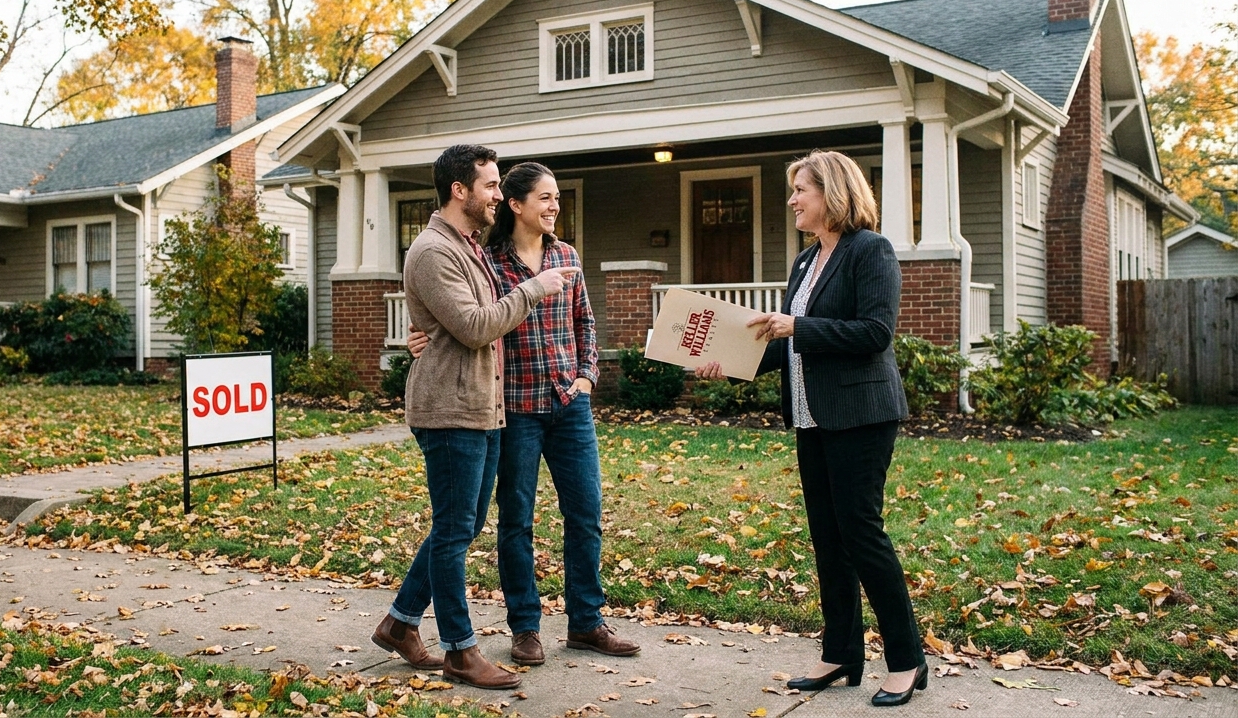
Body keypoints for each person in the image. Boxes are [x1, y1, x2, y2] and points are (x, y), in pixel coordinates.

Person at [695, 150, 926, 707]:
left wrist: (796, 324)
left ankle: (908, 660)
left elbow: (874, 332)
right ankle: (842, 653)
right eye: (794, 189)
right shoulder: (805, 262)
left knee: (862, 535)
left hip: (860, 416)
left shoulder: (871, 251)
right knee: (828, 539)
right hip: (809, 416)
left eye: (802, 189)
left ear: (834, 193)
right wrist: (731, 362)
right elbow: (790, 342)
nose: (793, 199)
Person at [407, 163, 640, 666]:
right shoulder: (489, 260)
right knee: (516, 521)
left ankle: (586, 622)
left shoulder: (567, 256)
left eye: (557, 198)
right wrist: (423, 337)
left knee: (585, 514)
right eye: (545, 198)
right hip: (514, 408)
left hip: (568, 403)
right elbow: (468, 319)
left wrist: (586, 377)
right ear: (516, 205)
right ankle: (525, 628)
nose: (555, 206)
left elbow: (586, 324)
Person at [370, 144, 579, 690]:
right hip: (449, 408)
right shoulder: (434, 250)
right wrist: (533, 290)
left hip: (482, 405)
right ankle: (461, 650)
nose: (497, 194)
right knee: (456, 530)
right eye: (489, 185)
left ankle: (399, 623)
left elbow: (463, 326)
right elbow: (474, 325)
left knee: (456, 526)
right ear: (459, 190)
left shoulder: (468, 246)